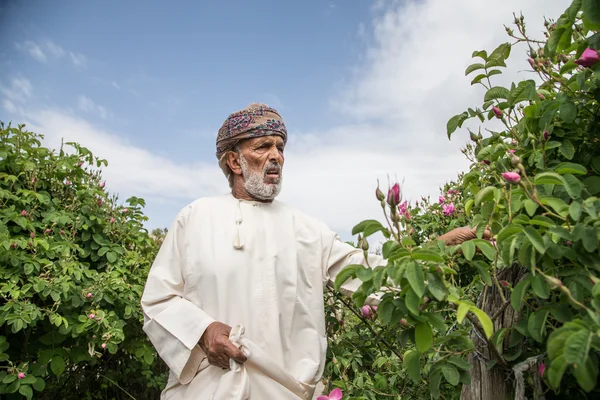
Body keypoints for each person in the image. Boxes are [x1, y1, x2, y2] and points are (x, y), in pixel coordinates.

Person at [140, 103, 483, 399]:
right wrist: (204, 332)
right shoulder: (195, 217)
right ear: (234, 161)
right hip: (209, 391)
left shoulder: (306, 229)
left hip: (287, 390)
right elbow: (158, 299)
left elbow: (366, 271)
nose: (276, 156)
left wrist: (433, 251)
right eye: (263, 147)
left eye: (280, 148)